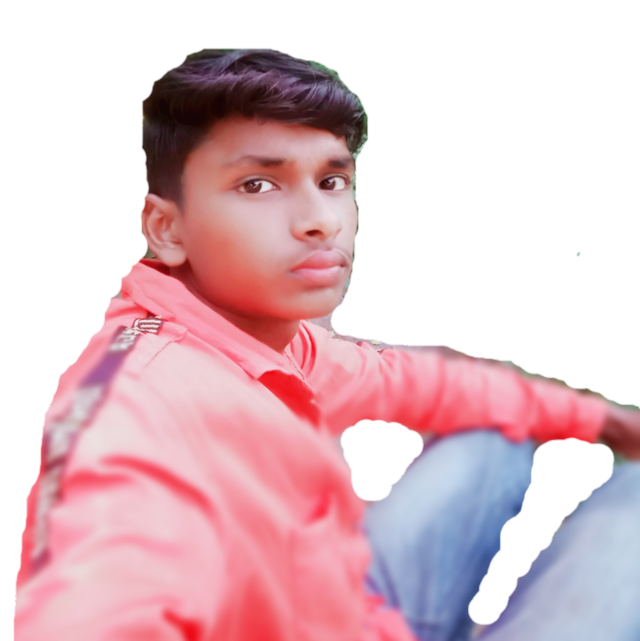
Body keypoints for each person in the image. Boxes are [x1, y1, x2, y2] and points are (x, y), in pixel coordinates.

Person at [12, 47, 640, 640]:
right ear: (166, 228)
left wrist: (600, 420)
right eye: (258, 185)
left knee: (491, 430)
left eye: (332, 180)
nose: (321, 221)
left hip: (345, 610)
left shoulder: (260, 337)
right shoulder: (137, 417)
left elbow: (412, 380)